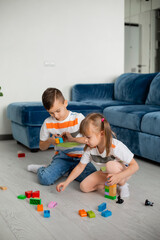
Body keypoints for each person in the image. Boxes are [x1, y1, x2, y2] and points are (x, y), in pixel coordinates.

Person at [56, 113, 139, 198]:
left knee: (110, 165)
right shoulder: (90, 148)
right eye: (84, 137)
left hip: (122, 172)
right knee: (84, 187)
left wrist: (119, 176)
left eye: (88, 137)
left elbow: (135, 166)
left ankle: (123, 185)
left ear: (101, 134)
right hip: (105, 172)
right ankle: (109, 183)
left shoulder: (115, 146)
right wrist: (66, 182)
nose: (85, 140)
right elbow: (80, 167)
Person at [27, 88, 97, 185]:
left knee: (93, 178)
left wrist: (72, 139)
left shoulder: (78, 118)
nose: (55, 116)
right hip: (62, 157)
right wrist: (50, 140)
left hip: (81, 158)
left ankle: (65, 171)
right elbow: (42, 146)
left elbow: (89, 140)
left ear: (65, 103)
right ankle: (43, 168)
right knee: (45, 179)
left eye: (58, 111)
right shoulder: (47, 123)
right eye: (51, 112)